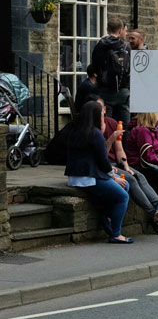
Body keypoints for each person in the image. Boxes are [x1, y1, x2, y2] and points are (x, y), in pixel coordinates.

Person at [98, 99, 158, 234]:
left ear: (104, 109)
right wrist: (111, 139)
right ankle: (153, 213)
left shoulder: (113, 123)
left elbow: (119, 151)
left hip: (116, 163)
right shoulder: (92, 129)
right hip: (103, 165)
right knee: (131, 180)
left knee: (139, 176)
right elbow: (101, 156)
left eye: (101, 108)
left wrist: (126, 165)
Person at [65, 100, 133, 244]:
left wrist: (110, 172)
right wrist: (113, 177)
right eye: (102, 114)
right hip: (89, 177)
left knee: (125, 186)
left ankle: (107, 216)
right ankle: (116, 234)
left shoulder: (73, 131)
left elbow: (89, 157)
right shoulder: (95, 133)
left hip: (76, 176)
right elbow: (103, 160)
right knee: (123, 196)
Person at [91, 19, 131, 123]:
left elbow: (94, 66)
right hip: (122, 90)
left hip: (104, 90)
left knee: (105, 123)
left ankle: (108, 139)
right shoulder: (126, 47)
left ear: (107, 29)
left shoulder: (99, 46)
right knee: (124, 125)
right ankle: (121, 139)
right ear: (120, 31)